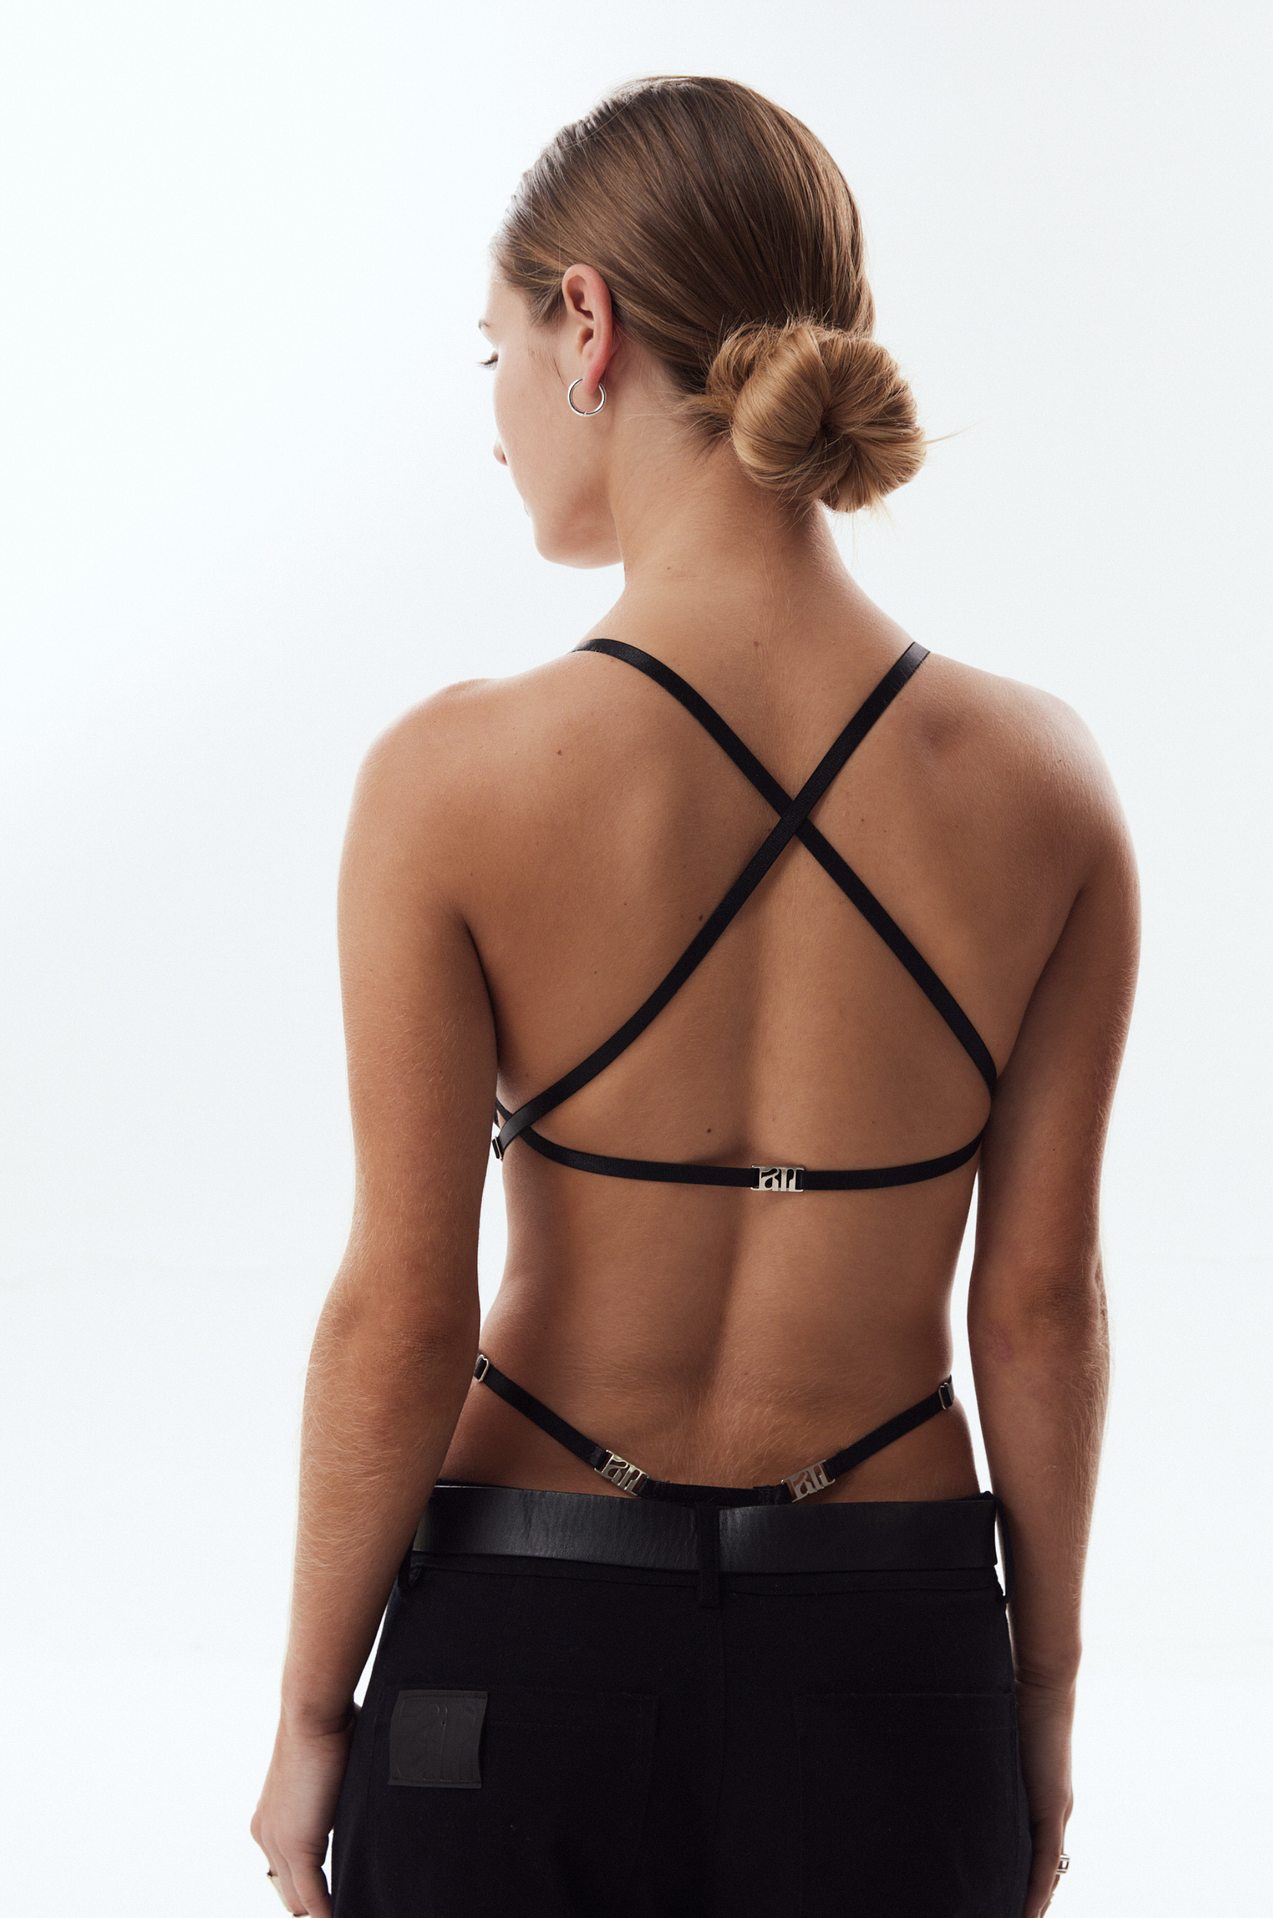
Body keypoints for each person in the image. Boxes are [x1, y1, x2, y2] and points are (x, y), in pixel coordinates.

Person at [251, 74, 1137, 1918]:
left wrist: (311, 1710)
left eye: (493, 348)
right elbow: (1039, 1302)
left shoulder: (452, 783)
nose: (495, 413)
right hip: (896, 1664)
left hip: (517, 1651)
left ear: (585, 325)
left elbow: (401, 1312)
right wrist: (1038, 1699)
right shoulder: (1044, 788)